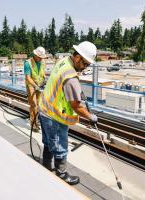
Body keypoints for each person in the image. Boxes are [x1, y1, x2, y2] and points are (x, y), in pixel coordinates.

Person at [38, 41, 98, 185]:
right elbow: (76, 106)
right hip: (55, 116)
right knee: (60, 146)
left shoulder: (63, 61)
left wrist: (76, 91)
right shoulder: (71, 78)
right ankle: (61, 174)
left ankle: (46, 166)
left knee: (48, 142)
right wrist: (90, 116)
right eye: (85, 64)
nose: (85, 68)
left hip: (44, 109)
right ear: (77, 58)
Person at [24, 47, 47, 132]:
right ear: (35, 55)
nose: (41, 59)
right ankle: (34, 124)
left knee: (39, 104)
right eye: (39, 57)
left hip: (39, 84)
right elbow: (28, 77)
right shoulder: (28, 63)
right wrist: (35, 86)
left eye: (42, 57)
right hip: (31, 85)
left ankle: (37, 120)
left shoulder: (42, 62)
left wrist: (45, 77)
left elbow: (42, 71)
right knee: (34, 105)